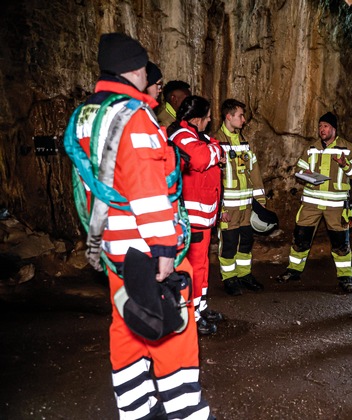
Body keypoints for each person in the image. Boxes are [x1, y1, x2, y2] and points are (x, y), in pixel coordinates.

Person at [64, 33, 212, 418]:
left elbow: (92, 186)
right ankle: (187, 413)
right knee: (172, 331)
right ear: (135, 68)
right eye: (147, 67)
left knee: (127, 326)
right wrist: (164, 248)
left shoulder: (86, 115)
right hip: (147, 248)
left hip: (114, 246)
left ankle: (136, 409)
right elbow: (148, 189)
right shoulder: (134, 115)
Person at [276, 112, 352, 293]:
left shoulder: (347, 148)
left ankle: (345, 278)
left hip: (336, 205)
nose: (321, 130)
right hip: (311, 203)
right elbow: (300, 168)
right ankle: (294, 270)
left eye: (325, 126)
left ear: (333, 128)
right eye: (319, 126)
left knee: (341, 243)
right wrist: (306, 173)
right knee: (300, 238)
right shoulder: (312, 148)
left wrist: (345, 165)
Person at [169, 95, 225, 336]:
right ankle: (190, 314)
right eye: (208, 116)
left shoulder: (195, 137)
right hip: (191, 216)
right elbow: (202, 158)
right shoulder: (180, 136)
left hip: (203, 215)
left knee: (201, 265)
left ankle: (200, 307)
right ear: (196, 118)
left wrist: (213, 147)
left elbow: (212, 148)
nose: (210, 119)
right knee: (192, 267)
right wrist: (215, 149)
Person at [215, 99, 266, 296]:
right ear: (229, 117)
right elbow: (214, 179)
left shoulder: (244, 142)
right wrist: (220, 208)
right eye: (240, 116)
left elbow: (255, 172)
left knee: (245, 242)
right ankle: (229, 278)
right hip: (228, 207)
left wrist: (260, 201)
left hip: (246, 206)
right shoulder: (216, 142)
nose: (243, 120)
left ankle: (244, 274)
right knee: (228, 244)